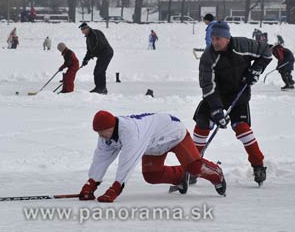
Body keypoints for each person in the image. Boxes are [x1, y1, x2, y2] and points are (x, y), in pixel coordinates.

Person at [78, 111, 226, 203]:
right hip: (153, 144)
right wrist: (91, 183)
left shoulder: (131, 132)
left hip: (174, 134)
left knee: (194, 167)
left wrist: (114, 189)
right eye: (98, 133)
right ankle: (181, 177)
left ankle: (216, 173)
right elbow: (100, 158)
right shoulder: (106, 136)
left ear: (112, 127)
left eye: (102, 131)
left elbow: (127, 161)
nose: (100, 136)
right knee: (152, 176)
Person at [190, 21, 272, 186]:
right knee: (202, 124)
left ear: (227, 38)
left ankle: (258, 166)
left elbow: (267, 52)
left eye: (218, 38)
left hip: (238, 94)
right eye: (212, 38)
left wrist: (256, 69)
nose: (215, 42)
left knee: (242, 128)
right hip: (215, 95)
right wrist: (217, 109)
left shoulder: (243, 44)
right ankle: (191, 166)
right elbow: (207, 85)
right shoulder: (208, 56)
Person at [79, 22, 113, 95]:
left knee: (100, 70)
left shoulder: (96, 33)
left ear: (87, 29)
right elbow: (89, 50)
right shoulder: (88, 38)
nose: (82, 32)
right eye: (81, 31)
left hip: (106, 53)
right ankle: (98, 87)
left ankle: (102, 88)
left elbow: (99, 45)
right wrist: (85, 60)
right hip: (101, 55)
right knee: (97, 71)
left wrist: (91, 55)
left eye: (83, 30)